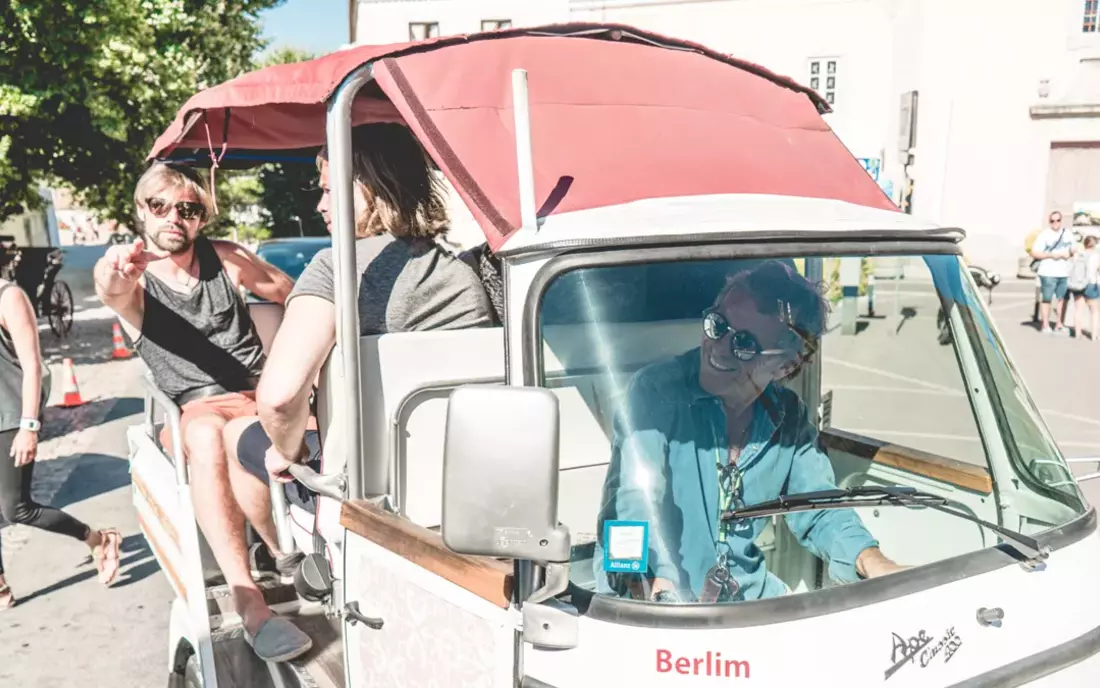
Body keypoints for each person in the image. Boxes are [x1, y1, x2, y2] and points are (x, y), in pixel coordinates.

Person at [222, 123, 494, 564]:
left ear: (371, 188)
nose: (320, 204)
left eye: (330, 191)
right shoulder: (462, 272)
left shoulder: (337, 267)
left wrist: (286, 452)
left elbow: (278, 398)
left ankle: (280, 555)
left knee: (236, 431)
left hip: (364, 494)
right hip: (463, 481)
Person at [92, 161, 309, 662]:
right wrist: (111, 269)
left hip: (258, 395)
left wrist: (304, 362)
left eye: (187, 209)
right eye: (160, 206)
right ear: (141, 212)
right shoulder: (136, 280)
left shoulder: (228, 259)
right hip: (196, 408)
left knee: (256, 427)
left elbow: (293, 293)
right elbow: (111, 290)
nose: (174, 217)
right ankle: (248, 599)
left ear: (202, 218)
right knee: (212, 435)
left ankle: (283, 551)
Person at [594, 260, 905, 604]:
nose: (719, 347)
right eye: (718, 325)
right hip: (664, 604)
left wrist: (876, 563)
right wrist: (653, 584)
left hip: (748, 603)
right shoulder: (655, 391)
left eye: (744, 343)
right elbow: (632, 502)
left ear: (786, 364)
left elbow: (820, 508)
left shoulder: (789, 416)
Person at [0, 277, 121, 609]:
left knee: (16, 508)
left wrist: (29, 426)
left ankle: (96, 539)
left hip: (10, 417)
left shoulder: (9, 297)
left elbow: (31, 366)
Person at [1031, 210, 1077, 335]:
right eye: (1052, 221)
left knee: (1061, 299)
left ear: (1061, 221)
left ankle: (1058, 324)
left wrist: (1071, 252)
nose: (1055, 223)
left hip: (1064, 271)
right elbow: (1034, 253)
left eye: (1058, 220)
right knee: (1047, 299)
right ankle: (1045, 324)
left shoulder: (1067, 233)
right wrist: (1053, 255)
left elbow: (1073, 248)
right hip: (1048, 271)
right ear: (1049, 221)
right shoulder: (1044, 235)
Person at [1068, 234, 1100, 340]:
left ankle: (1078, 334)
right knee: (1095, 312)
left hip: (1078, 284)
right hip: (1091, 284)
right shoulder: (1096, 256)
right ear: (1095, 244)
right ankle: (1094, 335)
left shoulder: (1079, 255)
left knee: (1078, 310)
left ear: (1084, 244)